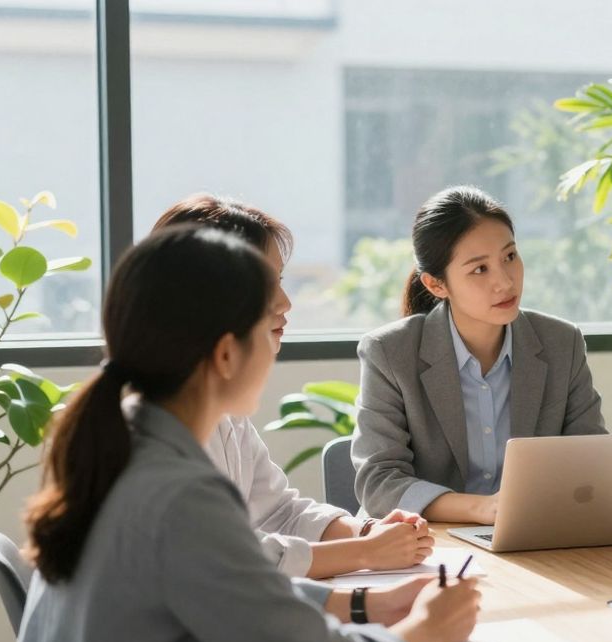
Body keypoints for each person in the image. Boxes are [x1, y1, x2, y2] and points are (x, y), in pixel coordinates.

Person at [10, 225, 481, 642]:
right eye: (265, 319)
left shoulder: (128, 440)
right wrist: (426, 631)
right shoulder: (179, 492)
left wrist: (369, 604)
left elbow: (234, 588)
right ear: (226, 355)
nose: (284, 316)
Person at [154, 194, 432, 578]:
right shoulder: (160, 422)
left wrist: (367, 531)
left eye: (280, 281)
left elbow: (280, 512)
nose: (285, 302)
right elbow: (224, 555)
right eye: (265, 283)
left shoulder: (218, 404)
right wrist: (364, 553)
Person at [353, 185, 606, 523]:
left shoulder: (562, 343)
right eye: (479, 269)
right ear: (436, 285)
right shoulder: (390, 353)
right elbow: (379, 481)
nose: (505, 282)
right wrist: (481, 508)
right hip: (431, 540)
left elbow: (593, 462)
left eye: (509, 256)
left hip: (534, 536)